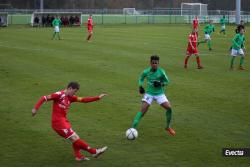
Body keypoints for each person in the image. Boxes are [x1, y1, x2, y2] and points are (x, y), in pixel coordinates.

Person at [32, 82, 108, 161]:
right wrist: (35, 108)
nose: (75, 93)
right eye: (74, 91)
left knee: (76, 138)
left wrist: (98, 97)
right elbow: (44, 98)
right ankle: (94, 151)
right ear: (70, 88)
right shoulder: (59, 94)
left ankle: (78, 156)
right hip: (58, 124)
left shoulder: (71, 97)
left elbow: (83, 100)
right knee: (75, 138)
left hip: (64, 122)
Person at [131, 55, 176, 136]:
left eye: (156, 63)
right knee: (143, 110)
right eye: (153, 63)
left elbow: (167, 81)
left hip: (159, 94)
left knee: (169, 108)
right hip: (149, 93)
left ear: (158, 63)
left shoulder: (161, 72)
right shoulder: (146, 72)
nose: (154, 64)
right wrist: (140, 86)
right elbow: (141, 79)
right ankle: (132, 128)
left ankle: (168, 127)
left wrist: (161, 83)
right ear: (150, 63)